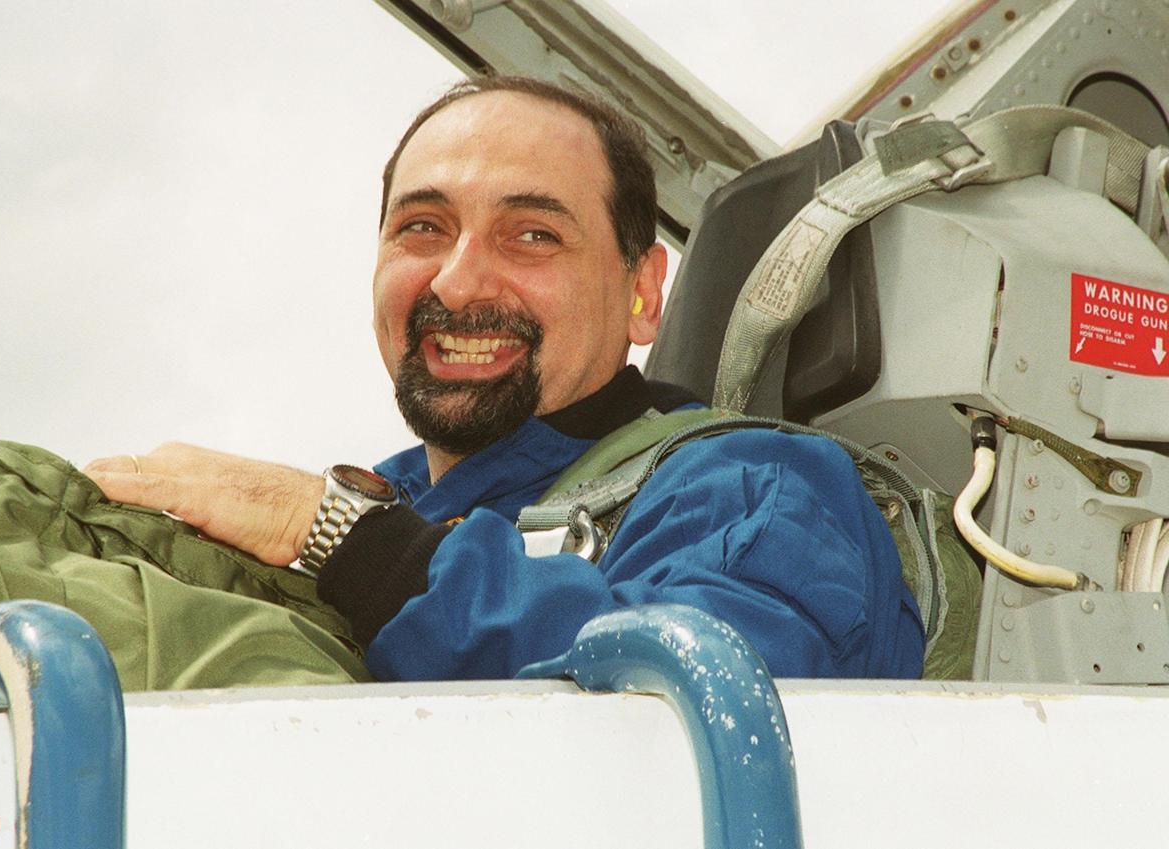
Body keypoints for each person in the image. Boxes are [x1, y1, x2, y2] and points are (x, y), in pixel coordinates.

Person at [82, 76, 925, 682]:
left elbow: (697, 703)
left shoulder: (759, 489)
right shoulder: (393, 505)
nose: (456, 283)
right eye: (423, 226)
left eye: (531, 235)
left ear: (641, 295)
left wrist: (341, 535)